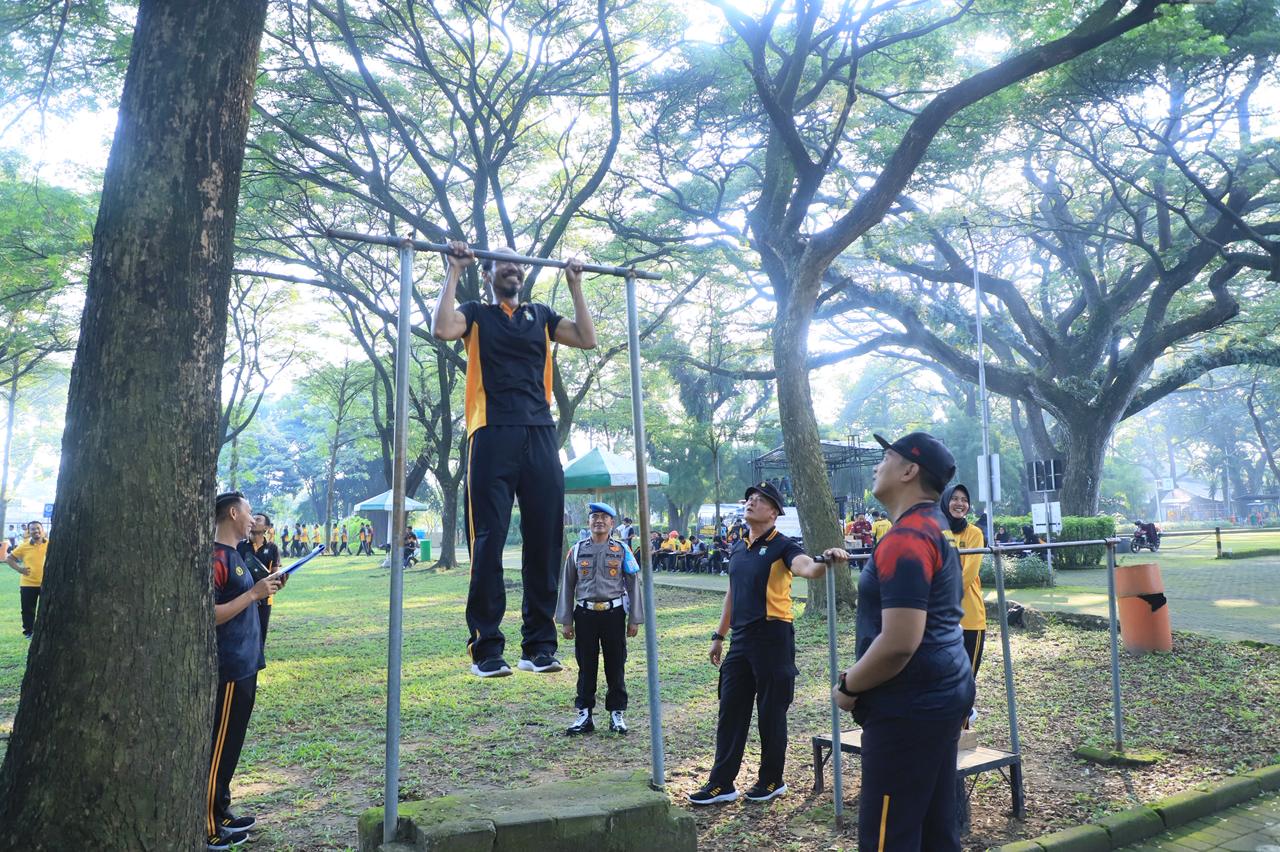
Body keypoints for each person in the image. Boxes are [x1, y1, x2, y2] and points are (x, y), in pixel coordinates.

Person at [432, 242, 596, 678]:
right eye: (502, 264)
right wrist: (453, 270)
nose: (512, 269)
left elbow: (587, 338)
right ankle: (486, 648)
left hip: (540, 433)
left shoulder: (540, 316)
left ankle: (538, 646)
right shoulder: (476, 314)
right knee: (489, 540)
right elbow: (443, 328)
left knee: (545, 541)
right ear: (487, 274)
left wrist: (575, 284)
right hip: (491, 432)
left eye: (517, 264)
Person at [833, 433, 974, 851]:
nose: (877, 466)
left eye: (885, 457)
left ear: (910, 471)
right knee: (934, 831)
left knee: (888, 838)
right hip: (943, 695)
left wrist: (848, 685)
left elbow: (899, 642)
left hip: (909, 710)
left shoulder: (908, 538)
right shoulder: (936, 526)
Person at [689, 482, 849, 806]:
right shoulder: (738, 547)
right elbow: (732, 594)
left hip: (773, 637)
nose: (751, 502)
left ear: (774, 512)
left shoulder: (783, 546)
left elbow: (807, 567)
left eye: (760, 500)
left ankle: (772, 779)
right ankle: (721, 784)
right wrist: (719, 637)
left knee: (771, 712)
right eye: (749, 498)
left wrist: (827, 561)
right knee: (731, 711)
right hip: (741, 640)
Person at [208, 492, 284, 849]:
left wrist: (266, 587)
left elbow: (254, 592)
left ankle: (221, 810)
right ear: (233, 513)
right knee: (218, 746)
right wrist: (253, 594)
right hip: (230, 666)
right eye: (250, 512)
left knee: (232, 744)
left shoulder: (238, 555)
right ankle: (208, 823)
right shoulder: (216, 557)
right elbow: (210, 614)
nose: (254, 519)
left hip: (247, 663)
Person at [557, 502, 643, 735]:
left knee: (616, 664)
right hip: (584, 614)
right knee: (586, 665)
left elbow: (634, 585)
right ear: (589, 522)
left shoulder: (622, 550)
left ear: (612, 523)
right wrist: (566, 620)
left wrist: (634, 618)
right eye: (595, 517)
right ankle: (584, 714)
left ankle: (617, 714)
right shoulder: (576, 550)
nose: (599, 521)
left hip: (613, 614)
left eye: (605, 518)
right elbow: (567, 585)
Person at [941, 484, 986, 722]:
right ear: (945, 501)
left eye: (964, 499)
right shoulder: (937, 532)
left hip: (969, 617)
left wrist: (940, 595)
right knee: (942, 676)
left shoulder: (974, 533)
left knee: (966, 677)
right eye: (955, 498)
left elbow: (968, 575)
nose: (960, 503)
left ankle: (963, 723)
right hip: (940, 621)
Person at [238, 512, 282, 654]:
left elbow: (276, 574)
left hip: (264, 600)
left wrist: (280, 580)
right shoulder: (240, 546)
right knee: (241, 637)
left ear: (267, 528)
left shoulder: (273, 548)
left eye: (258, 519)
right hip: (242, 598)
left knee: (259, 638)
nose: (253, 520)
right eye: (252, 518)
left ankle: (255, 668)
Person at [6, 521, 49, 639]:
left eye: (38, 528)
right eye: (33, 529)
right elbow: (9, 559)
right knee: (27, 609)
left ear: (42, 529)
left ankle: (47, 630)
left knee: (48, 608)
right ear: (29, 532)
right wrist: (20, 569)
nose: (36, 531)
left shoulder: (50, 544)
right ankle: (29, 632)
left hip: (47, 584)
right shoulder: (24, 546)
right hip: (28, 583)